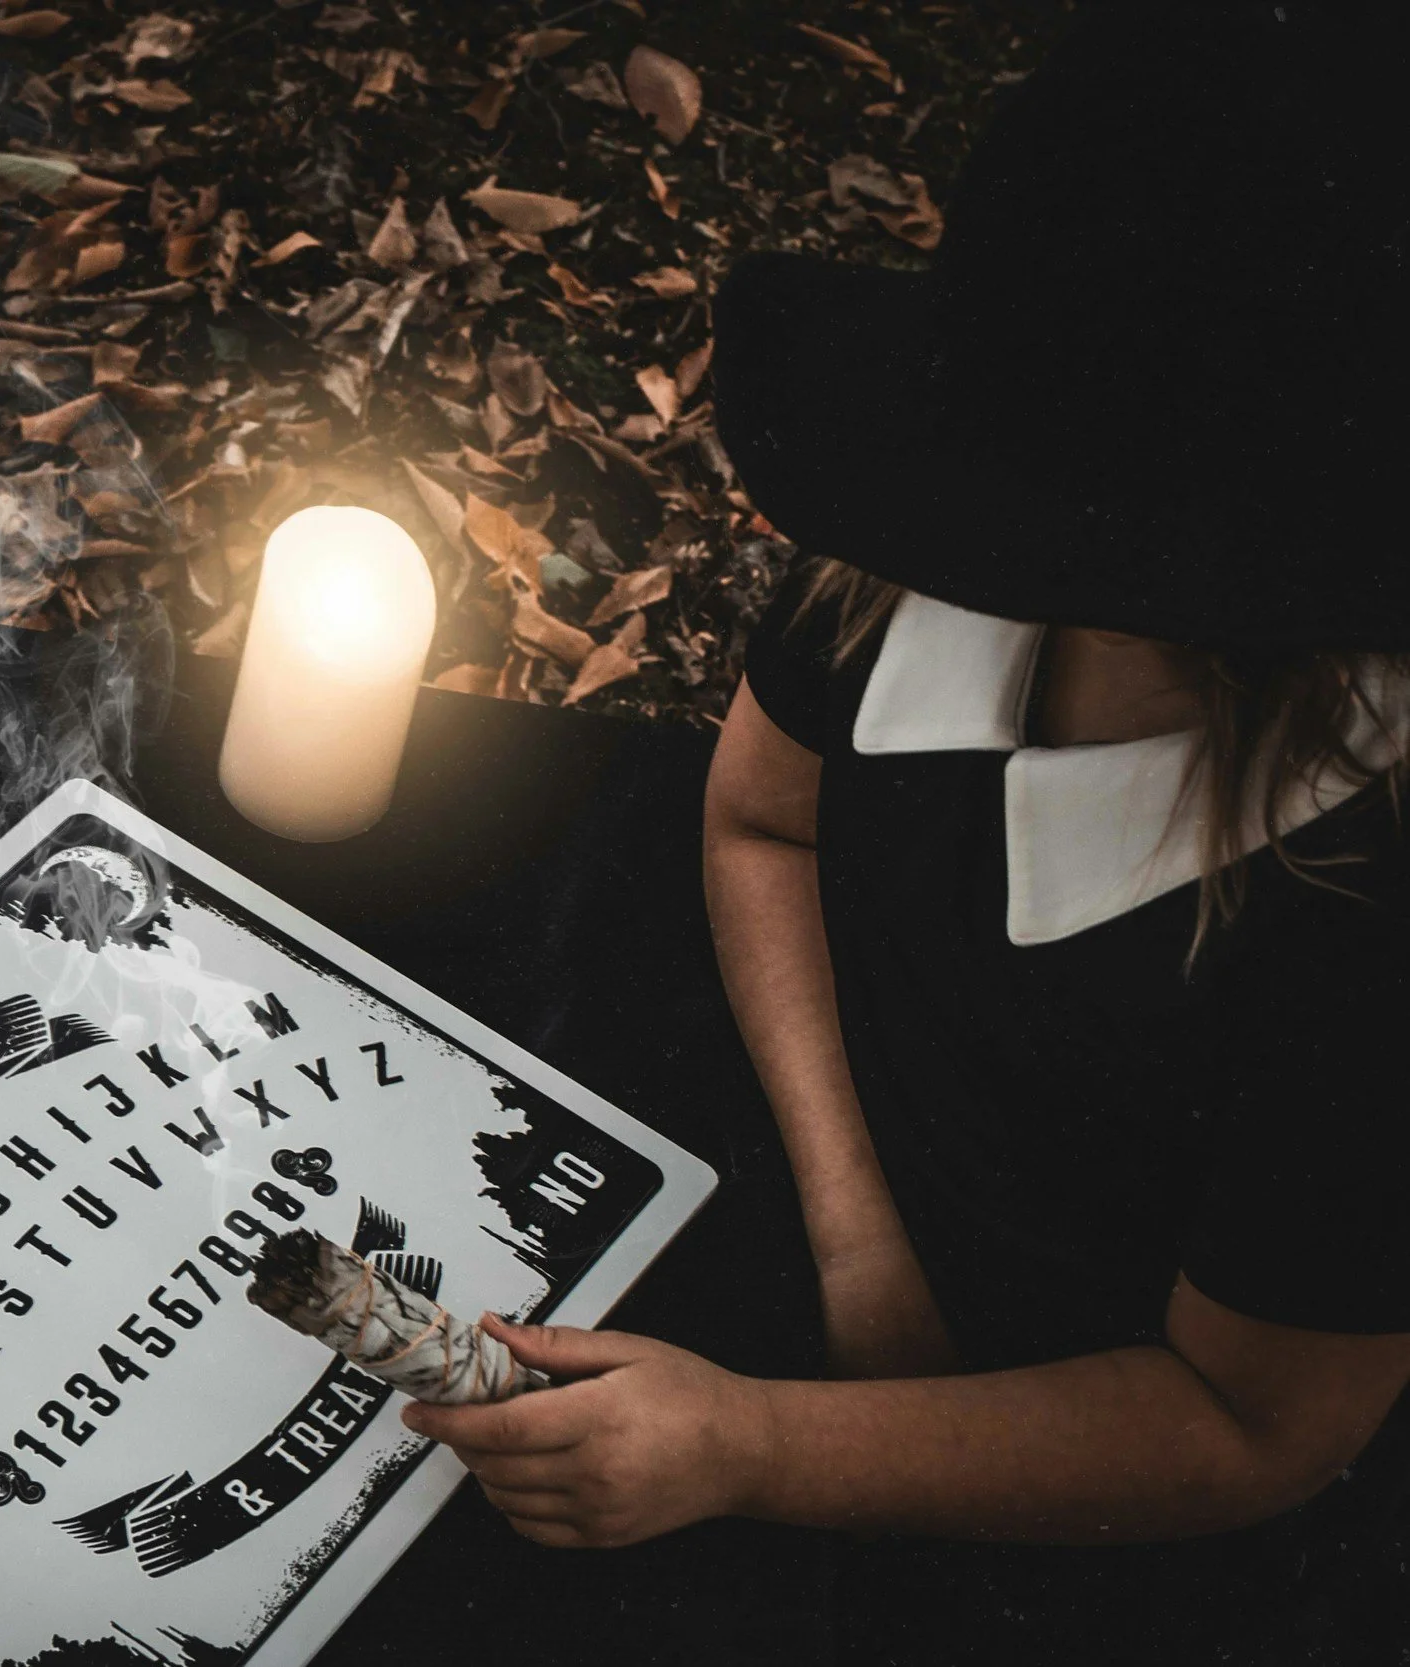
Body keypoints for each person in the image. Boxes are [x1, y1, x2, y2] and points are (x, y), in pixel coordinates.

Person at [403, 3, 1410, 1661]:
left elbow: (1258, 1426)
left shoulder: (1358, 927)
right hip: (836, 1139)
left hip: (1121, 1443)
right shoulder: (935, 535)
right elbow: (760, 823)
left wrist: (751, 1444)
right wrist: (861, 1239)